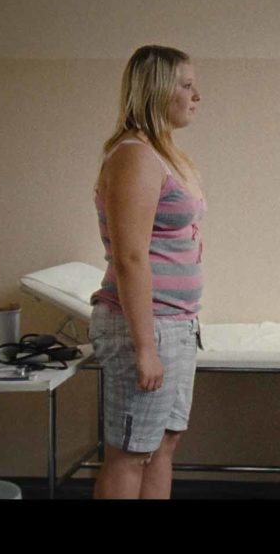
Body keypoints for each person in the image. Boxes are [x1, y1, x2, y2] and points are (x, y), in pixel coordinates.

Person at [88, 44, 205, 499]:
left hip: (176, 323)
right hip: (145, 325)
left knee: (162, 446)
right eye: (187, 85)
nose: (196, 96)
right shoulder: (134, 156)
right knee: (131, 452)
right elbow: (130, 257)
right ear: (157, 91)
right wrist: (144, 347)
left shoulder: (163, 155)